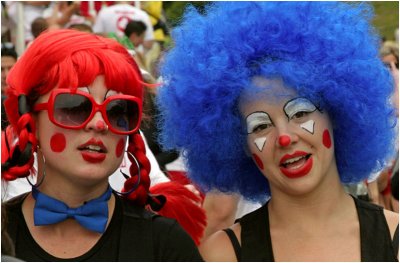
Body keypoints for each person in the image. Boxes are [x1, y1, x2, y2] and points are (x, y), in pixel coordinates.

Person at [157, 2, 399, 261]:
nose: (285, 137)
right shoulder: (222, 255)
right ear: (240, 145)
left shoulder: (394, 238)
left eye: (300, 113)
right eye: (260, 126)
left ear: (337, 114)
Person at [2, 29, 204, 261]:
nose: (99, 124)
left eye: (117, 110)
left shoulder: (165, 244)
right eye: (74, 106)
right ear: (31, 121)